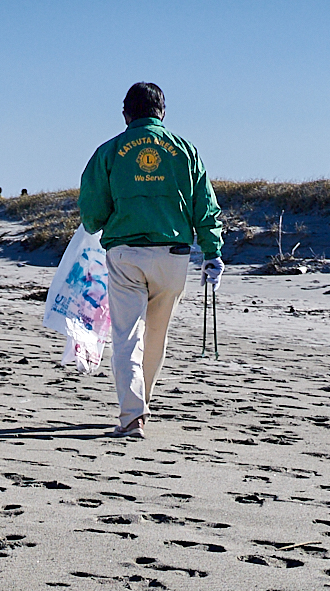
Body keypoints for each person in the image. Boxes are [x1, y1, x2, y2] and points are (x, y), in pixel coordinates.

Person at [77, 82, 220, 440]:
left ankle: (132, 414)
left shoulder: (109, 152)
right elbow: (205, 204)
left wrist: (101, 223)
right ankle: (140, 405)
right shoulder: (185, 150)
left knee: (127, 336)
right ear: (163, 111)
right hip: (173, 256)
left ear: (126, 112)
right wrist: (213, 252)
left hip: (126, 253)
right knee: (156, 336)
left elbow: (92, 210)